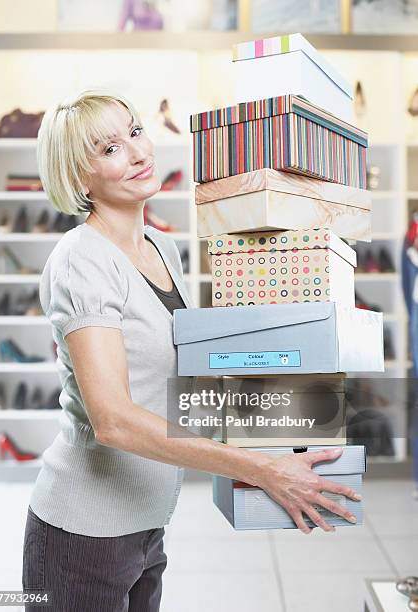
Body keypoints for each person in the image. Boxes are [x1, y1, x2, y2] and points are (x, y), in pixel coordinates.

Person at [22, 89, 361, 612]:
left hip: (147, 523)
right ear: (78, 178)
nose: (138, 153)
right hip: (80, 535)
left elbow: (177, 384)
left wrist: (286, 431)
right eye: (109, 149)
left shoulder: (163, 247)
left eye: (135, 132)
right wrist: (258, 468)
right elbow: (112, 420)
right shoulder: (80, 260)